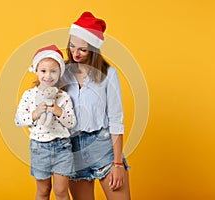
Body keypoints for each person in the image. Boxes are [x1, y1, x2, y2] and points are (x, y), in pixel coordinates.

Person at [61, 12, 131, 200]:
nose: (75, 53)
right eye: (72, 46)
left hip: (103, 146)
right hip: (73, 148)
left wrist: (117, 163)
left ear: (93, 49)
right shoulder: (61, 72)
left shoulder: (109, 74)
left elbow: (116, 119)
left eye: (82, 50)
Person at [15, 44, 77, 200]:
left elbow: (71, 123)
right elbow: (18, 120)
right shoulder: (29, 95)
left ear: (60, 73)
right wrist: (35, 114)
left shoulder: (63, 97)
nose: (48, 76)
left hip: (62, 147)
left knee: (61, 191)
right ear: (36, 71)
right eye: (43, 71)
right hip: (39, 148)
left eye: (53, 71)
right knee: (43, 191)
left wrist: (58, 111)